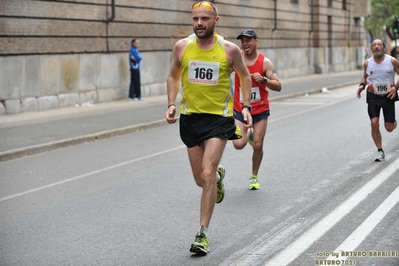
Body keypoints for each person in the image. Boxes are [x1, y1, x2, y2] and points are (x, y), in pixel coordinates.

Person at [165, 1, 252, 255]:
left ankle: (202, 234)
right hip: (190, 119)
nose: (199, 23)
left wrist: (245, 106)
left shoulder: (229, 49)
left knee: (206, 171)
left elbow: (244, 75)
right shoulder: (182, 47)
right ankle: (216, 179)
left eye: (205, 18)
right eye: (195, 19)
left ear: (216, 19)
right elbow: (172, 75)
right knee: (200, 180)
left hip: (218, 119)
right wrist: (171, 103)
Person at [232, 29, 282, 190]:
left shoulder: (265, 62)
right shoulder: (236, 59)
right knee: (238, 144)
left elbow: (278, 86)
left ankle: (254, 176)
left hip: (260, 109)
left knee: (258, 145)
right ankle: (249, 133)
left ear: (256, 41)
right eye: (243, 41)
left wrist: (264, 80)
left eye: (248, 40)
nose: (245, 44)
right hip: (240, 108)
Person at [357, 39, 399, 162]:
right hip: (373, 96)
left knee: (389, 128)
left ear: (384, 48)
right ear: (371, 49)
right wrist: (361, 86)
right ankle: (380, 151)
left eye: (379, 45)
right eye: (374, 45)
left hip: (388, 96)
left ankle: (392, 121)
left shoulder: (392, 61)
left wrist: (395, 87)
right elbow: (365, 77)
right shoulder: (367, 63)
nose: (376, 47)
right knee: (374, 122)